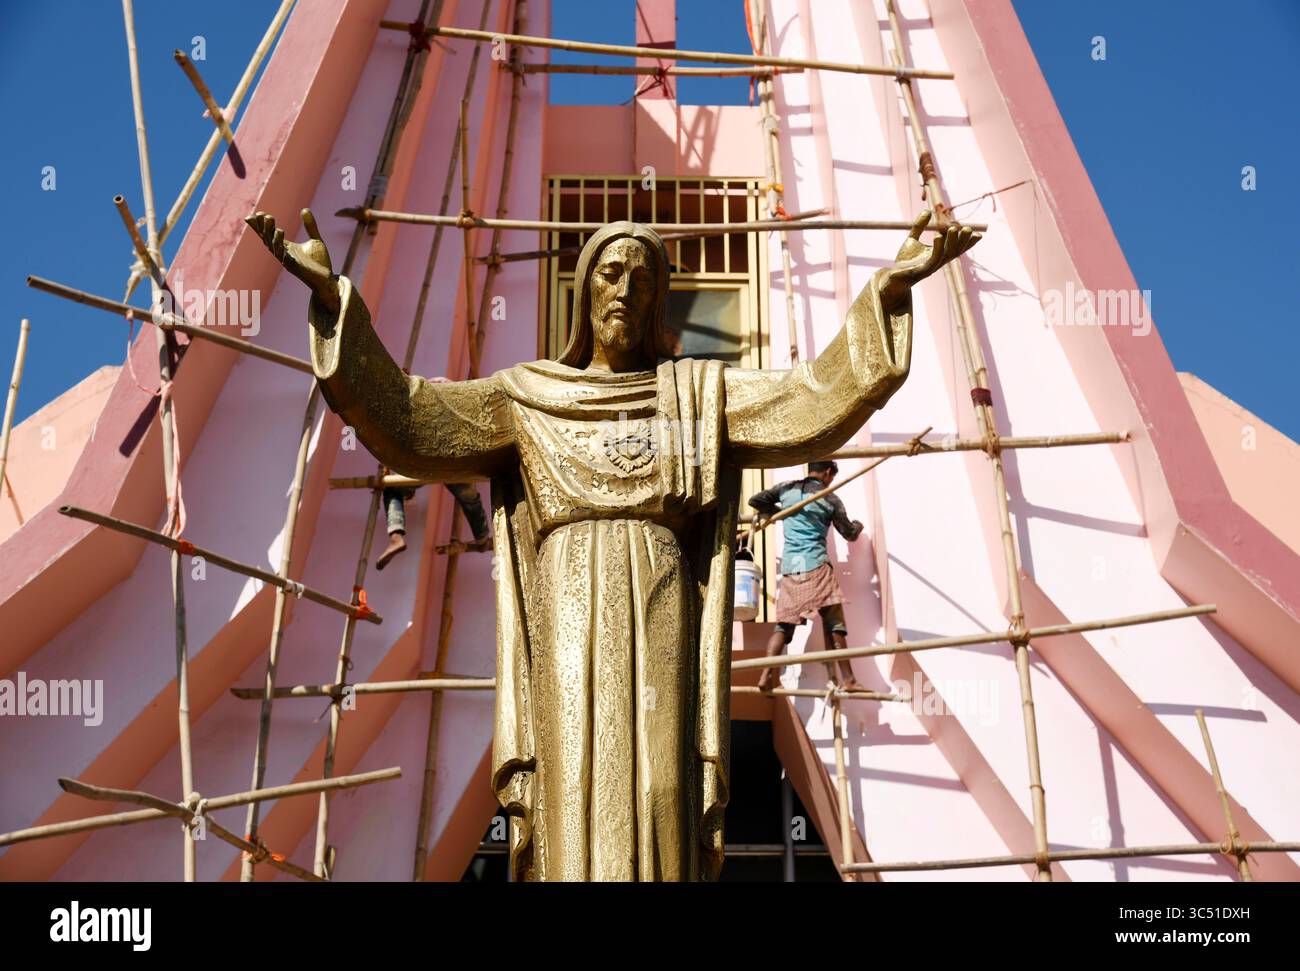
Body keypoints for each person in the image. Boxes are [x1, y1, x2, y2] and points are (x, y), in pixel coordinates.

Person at [246, 205, 976, 881]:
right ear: (585, 289)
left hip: (660, 599)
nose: (625, 287)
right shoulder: (526, 396)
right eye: (610, 270)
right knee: (575, 780)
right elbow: (411, 416)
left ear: (659, 298)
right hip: (566, 604)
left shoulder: (696, 393)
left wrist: (885, 294)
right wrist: (336, 303)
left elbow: (807, 400)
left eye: (643, 276)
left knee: (659, 783)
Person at [749, 460, 867, 694]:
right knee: (835, 623)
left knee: (783, 627)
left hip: (793, 568)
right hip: (817, 565)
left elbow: (756, 500)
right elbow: (850, 534)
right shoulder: (830, 498)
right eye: (832, 476)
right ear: (828, 472)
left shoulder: (787, 488)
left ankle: (766, 675)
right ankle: (850, 681)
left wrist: (780, 512)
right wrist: (859, 525)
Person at [375, 481, 492, 571]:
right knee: (471, 501)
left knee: (393, 489)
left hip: (427, 459)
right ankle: (482, 539)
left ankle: (396, 537)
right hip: (458, 459)